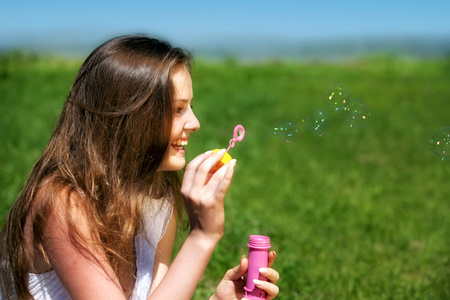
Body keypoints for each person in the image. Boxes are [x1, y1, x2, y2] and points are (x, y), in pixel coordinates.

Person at [0, 34, 279, 299]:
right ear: (133, 118)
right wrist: (202, 236)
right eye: (178, 109)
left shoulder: (158, 198)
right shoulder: (64, 204)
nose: (195, 123)